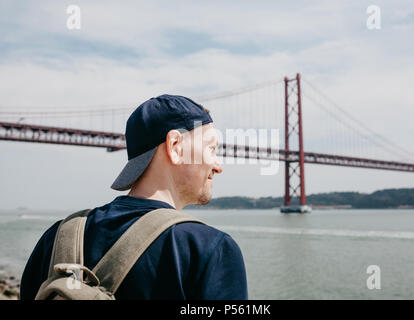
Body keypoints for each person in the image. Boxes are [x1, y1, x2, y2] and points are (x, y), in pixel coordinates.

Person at [20, 94, 248, 300]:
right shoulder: (209, 249)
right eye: (211, 149)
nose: (218, 166)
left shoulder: (56, 238)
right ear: (175, 147)